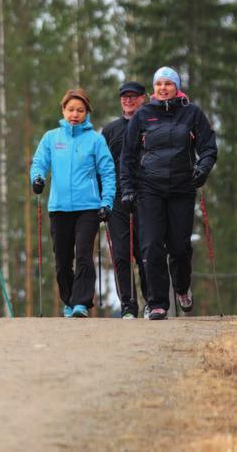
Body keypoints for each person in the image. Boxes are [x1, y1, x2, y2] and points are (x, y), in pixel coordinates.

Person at [118, 67, 218, 321]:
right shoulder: (143, 115)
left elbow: (208, 148)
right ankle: (158, 302)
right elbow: (127, 157)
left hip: (182, 187)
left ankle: (182, 287)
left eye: (168, 84)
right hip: (149, 187)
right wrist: (128, 190)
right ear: (153, 88)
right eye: (159, 84)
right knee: (150, 246)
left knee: (180, 247)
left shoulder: (191, 113)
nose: (163, 88)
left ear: (177, 87)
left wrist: (203, 168)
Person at [30, 88, 116, 318]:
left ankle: (81, 302)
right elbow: (39, 162)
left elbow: (108, 172)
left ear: (87, 112)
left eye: (80, 110)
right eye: (70, 110)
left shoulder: (95, 140)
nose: (74, 114)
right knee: (62, 260)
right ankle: (68, 300)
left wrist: (107, 202)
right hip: (58, 208)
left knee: (84, 255)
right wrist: (37, 178)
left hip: (88, 207)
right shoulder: (51, 138)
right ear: (63, 111)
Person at [100, 81, 150, 319]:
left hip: (148, 197)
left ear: (144, 98)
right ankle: (128, 305)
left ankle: (153, 302)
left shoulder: (153, 123)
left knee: (147, 252)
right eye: (124, 97)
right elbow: (101, 166)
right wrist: (103, 198)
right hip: (118, 198)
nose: (128, 100)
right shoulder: (110, 130)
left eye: (134, 96)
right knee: (121, 254)